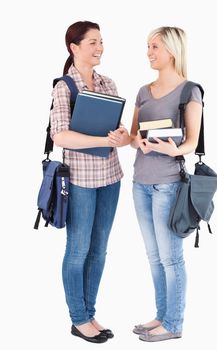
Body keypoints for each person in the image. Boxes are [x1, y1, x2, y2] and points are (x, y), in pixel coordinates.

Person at [50, 20, 130, 344]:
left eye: (101, 42)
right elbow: (60, 135)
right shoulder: (64, 87)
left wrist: (120, 137)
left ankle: (90, 313)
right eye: (93, 42)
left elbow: (122, 135)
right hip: (81, 180)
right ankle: (78, 318)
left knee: (99, 250)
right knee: (78, 249)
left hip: (111, 177)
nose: (100, 48)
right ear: (75, 47)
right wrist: (99, 138)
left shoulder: (108, 83)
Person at [129, 26, 203, 342]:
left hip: (168, 184)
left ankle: (173, 323)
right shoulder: (143, 91)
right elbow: (134, 136)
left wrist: (175, 149)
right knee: (153, 256)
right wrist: (135, 142)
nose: (149, 52)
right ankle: (161, 316)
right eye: (148, 46)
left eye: (154, 47)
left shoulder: (190, 91)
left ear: (171, 50)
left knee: (171, 258)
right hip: (140, 181)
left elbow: (192, 142)